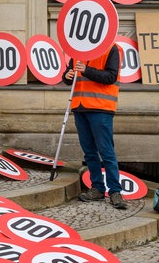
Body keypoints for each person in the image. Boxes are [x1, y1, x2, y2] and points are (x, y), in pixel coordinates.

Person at [63, 44, 126, 209]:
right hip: (80, 106)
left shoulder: (111, 49)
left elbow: (111, 76)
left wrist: (86, 69)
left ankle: (115, 191)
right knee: (89, 152)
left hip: (101, 107)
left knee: (106, 152)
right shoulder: (78, 50)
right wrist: (67, 76)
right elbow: (69, 78)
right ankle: (97, 187)